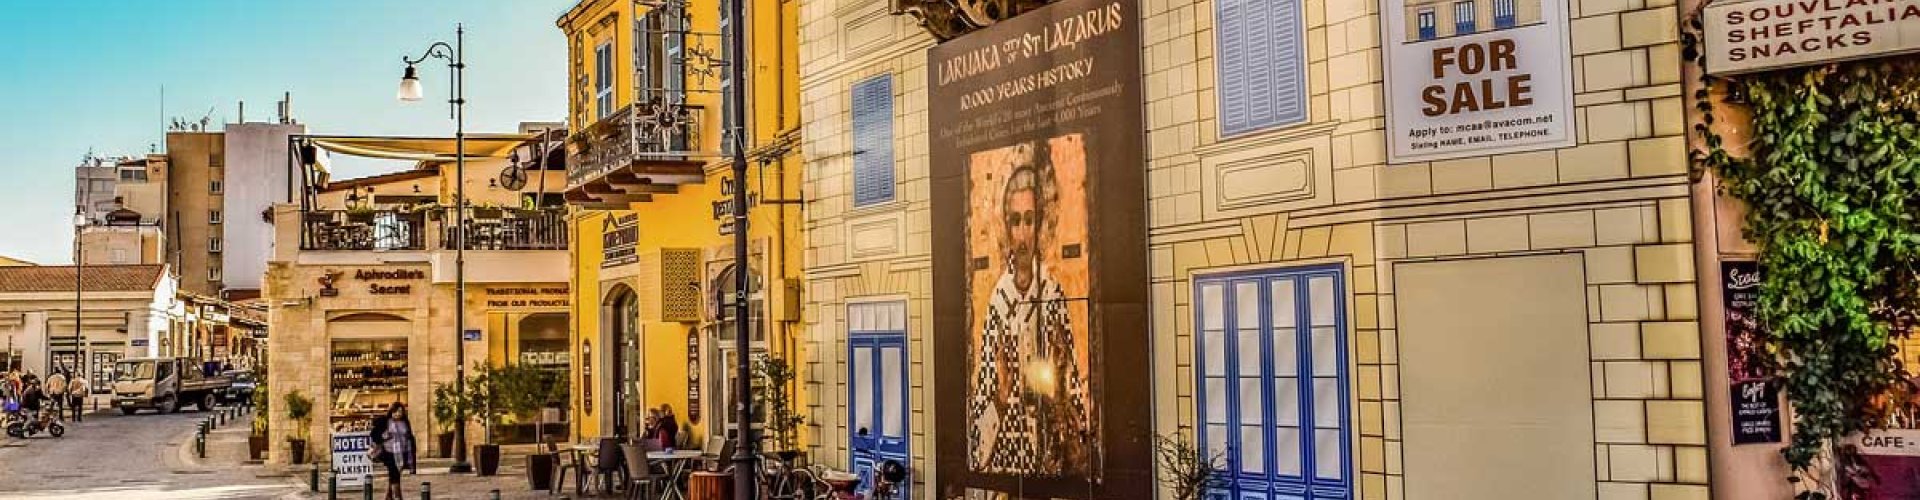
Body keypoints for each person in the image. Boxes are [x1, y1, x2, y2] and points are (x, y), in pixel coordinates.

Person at [966, 143, 1093, 476]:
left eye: (1029, 220)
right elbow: (979, 427)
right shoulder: (998, 302)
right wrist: (1002, 394)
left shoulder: (1052, 295)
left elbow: (1074, 394)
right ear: (1006, 227)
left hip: (1047, 457)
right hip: (1007, 459)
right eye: (1015, 221)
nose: (1022, 234)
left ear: (1041, 226)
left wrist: (1059, 390)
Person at [368, 403, 417, 500]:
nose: (398, 414)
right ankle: (397, 496)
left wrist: (412, 449)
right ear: (391, 411)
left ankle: (389, 496)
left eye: (400, 412)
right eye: (396, 411)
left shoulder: (405, 422)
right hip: (389, 452)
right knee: (394, 473)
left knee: (396, 474)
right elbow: (374, 434)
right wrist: (383, 437)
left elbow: (409, 435)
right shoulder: (385, 421)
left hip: (403, 452)